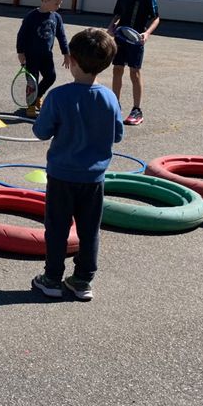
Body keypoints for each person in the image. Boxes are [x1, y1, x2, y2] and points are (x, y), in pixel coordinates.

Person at [31, 28, 123, 302]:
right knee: (89, 229)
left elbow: (41, 132)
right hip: (94, 178)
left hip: (62, 175)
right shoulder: (110, 98)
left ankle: (52, 279)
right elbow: (117, 135)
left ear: (70, 59)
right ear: (105, 63)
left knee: (57, 228)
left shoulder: (59, 96)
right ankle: (83, 280)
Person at [108, 0, 160, 126]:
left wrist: (147, 33)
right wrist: (111, 27)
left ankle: (137, 109)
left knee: (134, 73)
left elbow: (156, 18)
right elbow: (117, 15)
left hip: (136, 40)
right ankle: (115, 105)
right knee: (117, 69)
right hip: (120, 37)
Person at [15, 0, 70, 118]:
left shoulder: (56, 17)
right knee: (32, 81)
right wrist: (20, 53)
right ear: (45, 0)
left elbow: (61, 35)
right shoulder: (31, 17)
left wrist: (66, 52)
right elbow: (21, 35)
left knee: (51, 77)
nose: (59, 7)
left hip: (47, 55)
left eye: (59, 3)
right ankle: (31, 105)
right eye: (56, 3)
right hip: (31, 56)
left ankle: (38, 95)